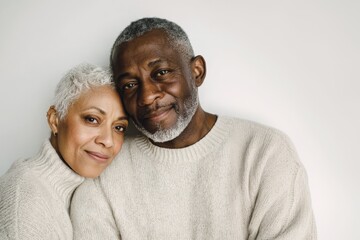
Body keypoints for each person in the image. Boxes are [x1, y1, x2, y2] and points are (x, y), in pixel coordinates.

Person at [71, 18, 317, 239]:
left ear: (197, 71)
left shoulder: (265, 153)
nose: (146, 96)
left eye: (161, 72)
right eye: (130, 85)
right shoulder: (103, 171)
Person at [0, 63, 128, 239]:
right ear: (54, 120)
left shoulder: (74, 193)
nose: (107, 140)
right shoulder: (25, 200)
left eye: (119, 127)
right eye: (92, 119)